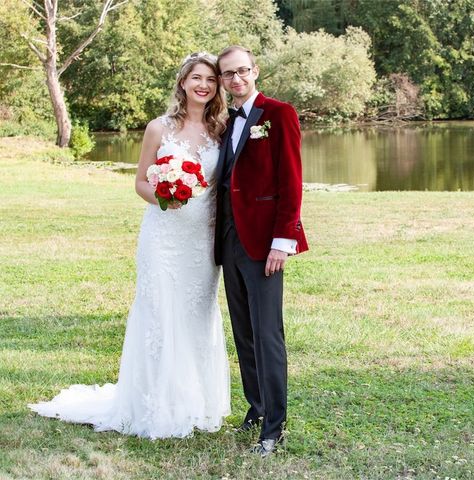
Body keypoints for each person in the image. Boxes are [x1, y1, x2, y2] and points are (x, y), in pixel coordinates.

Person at [28, 52, 231, 439]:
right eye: (196, 78)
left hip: (201, 241)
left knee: (195, 317)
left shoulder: (220, 130)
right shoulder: (159, 128)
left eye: (210, 80)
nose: (203, 85)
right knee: (159, 314)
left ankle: (193, 402)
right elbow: (140, 182)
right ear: (183, 82)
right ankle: (154, 404)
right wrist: (165, 197)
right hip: (163, 237)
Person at [214, 45, 308, 457]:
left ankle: (274, 426)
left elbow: (291, 180)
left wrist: (283, 242)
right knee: (244, 333)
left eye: (242, 71)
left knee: (267, 334)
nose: (236, 80)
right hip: (230, 241)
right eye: (227, 74)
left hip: (264, 242)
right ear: (221, 80)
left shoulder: (278, 114)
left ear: (255, 71)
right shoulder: (225, 119)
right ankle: (255, 409)